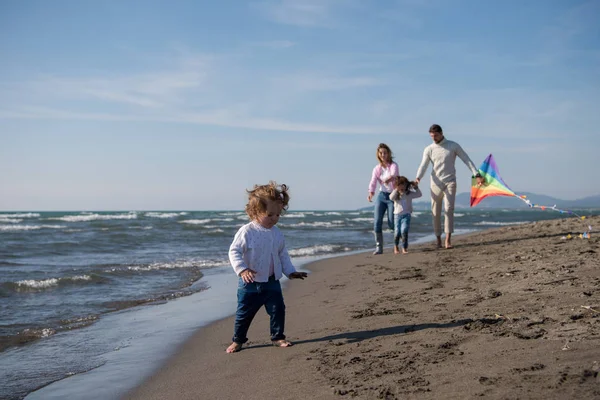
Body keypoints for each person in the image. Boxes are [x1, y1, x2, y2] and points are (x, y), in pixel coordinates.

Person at [226, 181, 308, 353]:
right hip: (250, 283)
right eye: (270, 215)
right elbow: (234, 252)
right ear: (256, 212)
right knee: (244, 314)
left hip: (272, 282)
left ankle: (278, 337)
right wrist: (242, 269)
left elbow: (282, 255)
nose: (274, 219)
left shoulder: (277, 233)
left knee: (278, 310)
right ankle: (238, 340)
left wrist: (290, 272)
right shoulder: (247, 232)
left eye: (278, 215)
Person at [414, 124, 484, 249]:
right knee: (435, 211)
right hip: (435, 183)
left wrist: (476, 174)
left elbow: (466, 160)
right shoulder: (429, 149)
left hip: (450, 181)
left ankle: (448, 240)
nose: (434, 138)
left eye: (435, 135)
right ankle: (438, 239)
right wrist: (418, 178)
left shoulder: (453, 146)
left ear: (441, 133)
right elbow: (423, 165)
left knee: (449, 209)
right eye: (431, 136)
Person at [367, 143, 400, 254]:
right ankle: (379, 247)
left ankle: (398, 241)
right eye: (381, 153)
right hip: (382, 196)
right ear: (378, 154)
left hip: (392, 196)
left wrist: (388, 179)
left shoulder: (393, 165)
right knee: (377, 222)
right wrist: (371, 192)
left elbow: (395, 174)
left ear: (388, 153)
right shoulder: (377, 169)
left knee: (391, 223)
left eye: (385, 153)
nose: (383, 155)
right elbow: (373, 181)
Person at [389, 176, 422, 254]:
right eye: (400, 185)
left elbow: (419, 194)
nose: (402, 187)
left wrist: (416, 187)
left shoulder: (409, 193)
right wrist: (396, 190)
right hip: (397, 216)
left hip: (406, 215)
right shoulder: (396, 194)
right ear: (397, 186)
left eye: (404, 185)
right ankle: (396, 246)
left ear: (407, 185)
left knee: (404, 230)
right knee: (397, 232)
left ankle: (404, 247)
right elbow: (391, 198)